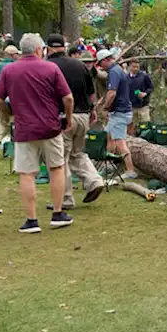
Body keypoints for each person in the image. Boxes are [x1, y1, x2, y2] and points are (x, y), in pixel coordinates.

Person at [0, 33, 74, 233]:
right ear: (39, 50)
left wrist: (8, 115)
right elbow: (68, 98)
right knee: (56, 168)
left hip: (24, 128)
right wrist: (69, 119)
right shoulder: (50, 68)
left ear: (22, 50)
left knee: (27, 173)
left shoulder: (9, 70)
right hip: (50, 127)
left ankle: (31, 220)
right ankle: (57, 213)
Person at [44, 34, 104, 209]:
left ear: (48, 48)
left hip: (63, 117)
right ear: (64, 47)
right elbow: (90, 92)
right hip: (84, 115)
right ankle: (94, 180)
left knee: (60, 159)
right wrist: (92, 110)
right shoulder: (80, 65)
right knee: (77, 154)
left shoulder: (48, 66)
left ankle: (65, 198)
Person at [98, 49, 138, 180]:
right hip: (121, 111)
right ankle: (110, 164)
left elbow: (112, 93)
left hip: (120, 112)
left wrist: (105, 106)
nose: (100, 66)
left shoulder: (114, 72)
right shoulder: (118, 69)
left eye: (100, 63)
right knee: (109, 135)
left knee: (120, 142)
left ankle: (130, 170)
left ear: (105, 60)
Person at [0, 45, 19, 157]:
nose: (18, 56)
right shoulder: (16, 67)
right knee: (13, 122)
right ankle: (11, 148)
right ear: (12, 55)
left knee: (1, 122)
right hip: (13, 101)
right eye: (17, 54)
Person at [127, 60, 155, 132]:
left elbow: (151, 87)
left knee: (146, 124)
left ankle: (146, 139)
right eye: (134, 67)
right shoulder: (126, 77)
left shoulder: (144, 76)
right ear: (130, 66)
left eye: (137, 67)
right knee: (131, 124)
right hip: (131, 105)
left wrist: (145, 93)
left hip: (143, 105)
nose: (135, 69)